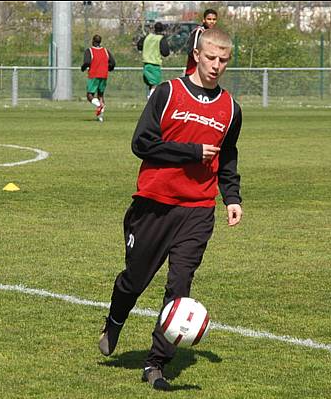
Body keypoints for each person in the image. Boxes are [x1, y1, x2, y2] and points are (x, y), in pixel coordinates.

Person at [98, 28, 242, 391]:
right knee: (135, 279)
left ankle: (156, 363)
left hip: (197, 209)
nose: (216, 65)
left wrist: (232, 197)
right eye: (210, 58)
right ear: (196, 54)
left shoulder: (230, 109)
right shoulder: (167, 93)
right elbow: (141, 143)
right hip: (154, 205)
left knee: (180, 284)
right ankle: (115, 319)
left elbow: (228, 157)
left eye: (223, 60)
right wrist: (191, 153)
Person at [80, 35, 115, 122]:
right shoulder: (106, 51)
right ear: (100, 42)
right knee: (100, 95)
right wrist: (108, 68)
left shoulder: (90, 51)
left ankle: (99, 105)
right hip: (104, 75)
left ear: (93, 41)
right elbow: (113, 62)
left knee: (90, 95)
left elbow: (87, 62)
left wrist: (83, 68)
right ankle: (100, 118)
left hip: (94, 75)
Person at [137, 22, 170, 99]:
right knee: (155, 85)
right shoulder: (160, 38)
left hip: (146, 64)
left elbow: (139, 46)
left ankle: (150, 100)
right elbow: (165, 52)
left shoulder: (147, 37)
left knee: (151, 85)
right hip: (155, 64)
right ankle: (152, 102)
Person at [184, 8, 218, 76]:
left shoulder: (212, 34)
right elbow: (192, 51)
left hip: (205, 73)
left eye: (214, 19)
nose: (212, 21)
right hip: (193, 72)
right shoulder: (199, 32)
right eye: (209, 19)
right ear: (204, 20)